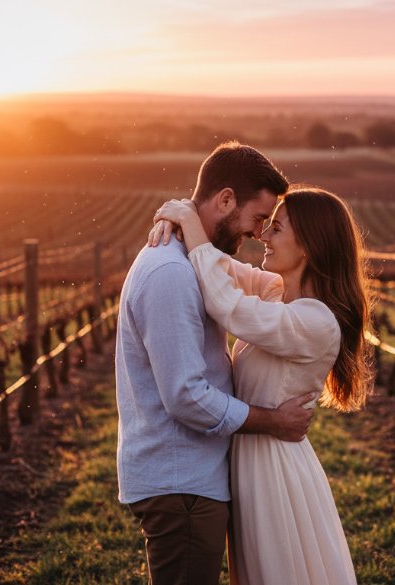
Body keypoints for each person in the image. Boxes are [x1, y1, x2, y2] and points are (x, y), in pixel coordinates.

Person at [115, 141, 318, 585]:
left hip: (191, 480)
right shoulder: (170, 273)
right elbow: (186, 396)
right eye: (258, 219)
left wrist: (187, 219)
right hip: (180, 482)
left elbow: (252, 284)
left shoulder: (193, 261)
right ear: (225, 199)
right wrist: (273, 421)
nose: (258, 233)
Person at [149, 186, 372, 585]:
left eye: (277, 229)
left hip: (273, 469)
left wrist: (187, 221)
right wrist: (184, 216)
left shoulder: (316, 322)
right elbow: (216, 266)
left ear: (307, 246)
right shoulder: (276, 294)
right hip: (249, 458)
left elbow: (226, 304)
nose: (263, 237)